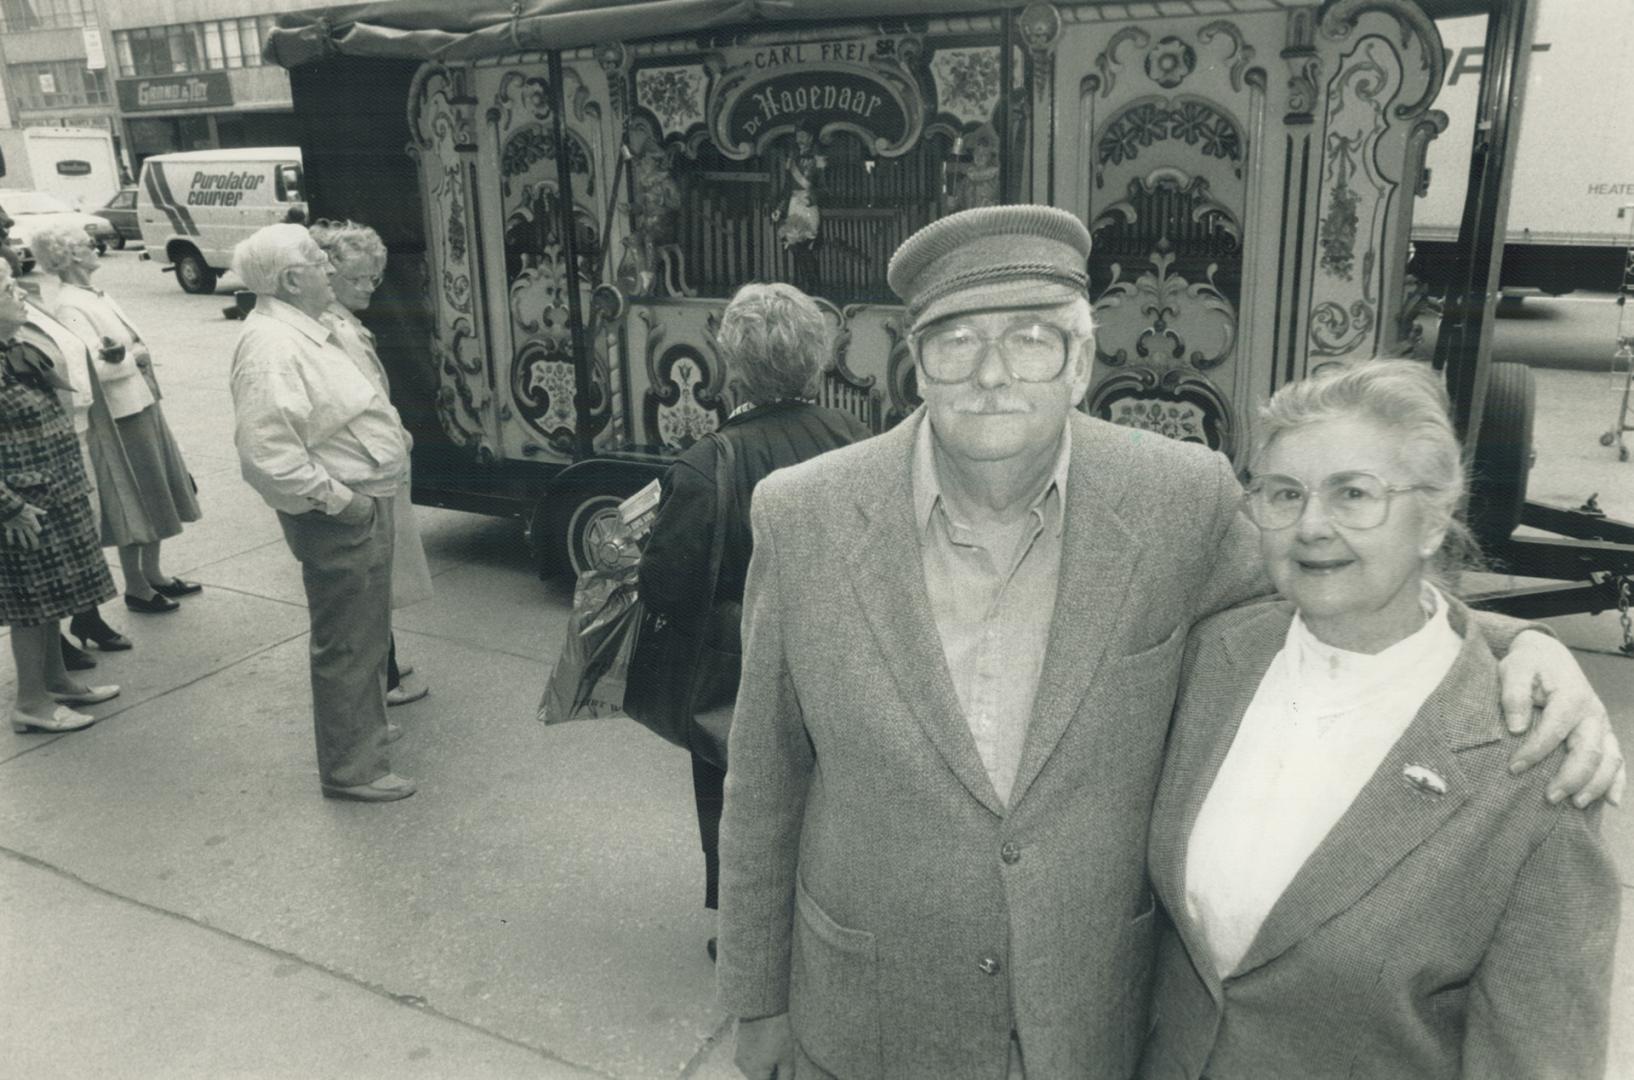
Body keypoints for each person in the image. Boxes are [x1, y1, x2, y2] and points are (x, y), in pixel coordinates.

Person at [715, 206, 1622, 1080]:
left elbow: (1329, 584)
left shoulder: (1177, 497)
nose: (992, 373)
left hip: (1092, 1019)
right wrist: (757, 1000)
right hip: (872, 1012)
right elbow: (764, 777)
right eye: (956, 341)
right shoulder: (805, 514)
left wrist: (1513, 642)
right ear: (914, 366)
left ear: (1080, 362)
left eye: (1031, 339)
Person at [1140, 361, 1618, 1079]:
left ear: (1431, 519)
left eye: (1354, 494)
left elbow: (1538, 1059)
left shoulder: (1533, 768)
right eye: (1284, 493)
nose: (1311, 527)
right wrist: (1524, 634)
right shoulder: (1213, 658)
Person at [637, 282, 871, 960]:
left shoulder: (709, 462)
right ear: (817, 361)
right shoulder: (858, 439)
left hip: (738, 675)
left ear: (732, 366)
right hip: (843, 658)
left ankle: (747, 933)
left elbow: (666, 588)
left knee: (736, 801)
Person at [228, 223, 414, 803]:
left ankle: (359, 737)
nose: (329, 268)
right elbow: (268, 458)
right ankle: (353, 769)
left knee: (365, 634)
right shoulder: (271, 347)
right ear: (290, 279)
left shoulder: (303, 329)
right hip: (341, 511)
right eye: (318, 261)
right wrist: (345, 503)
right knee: (348, 642)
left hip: (360, 500)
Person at [34, 223, 203, 623]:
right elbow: (89, 368)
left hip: (139, 402)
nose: (99, 249)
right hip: (118, 413)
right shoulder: (70, 305)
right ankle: (137, 587)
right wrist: (134, 357)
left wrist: (130, 354)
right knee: (136, 496)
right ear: (73, 255)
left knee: (157, 488)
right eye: (90, 245)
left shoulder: (94, 295)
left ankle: (154, 574)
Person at [308, 219, 431, 708]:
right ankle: (383, 679)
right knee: (369, 582)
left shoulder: (338, 322)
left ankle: (387, 662)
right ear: (327, 275)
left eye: (373, 278)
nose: (368, 288)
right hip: (361, 470)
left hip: (375, 462)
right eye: (357, 279)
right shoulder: (329, 330)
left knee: (380, 574)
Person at [0, 262, 119, 733]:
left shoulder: (14, 348)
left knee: (50, 599)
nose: (19, 292)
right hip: (20, 507)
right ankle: (30, 701)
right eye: (8, 289)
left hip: (51, 494)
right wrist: (9, 507)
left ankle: (55, 679)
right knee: (30, 606)